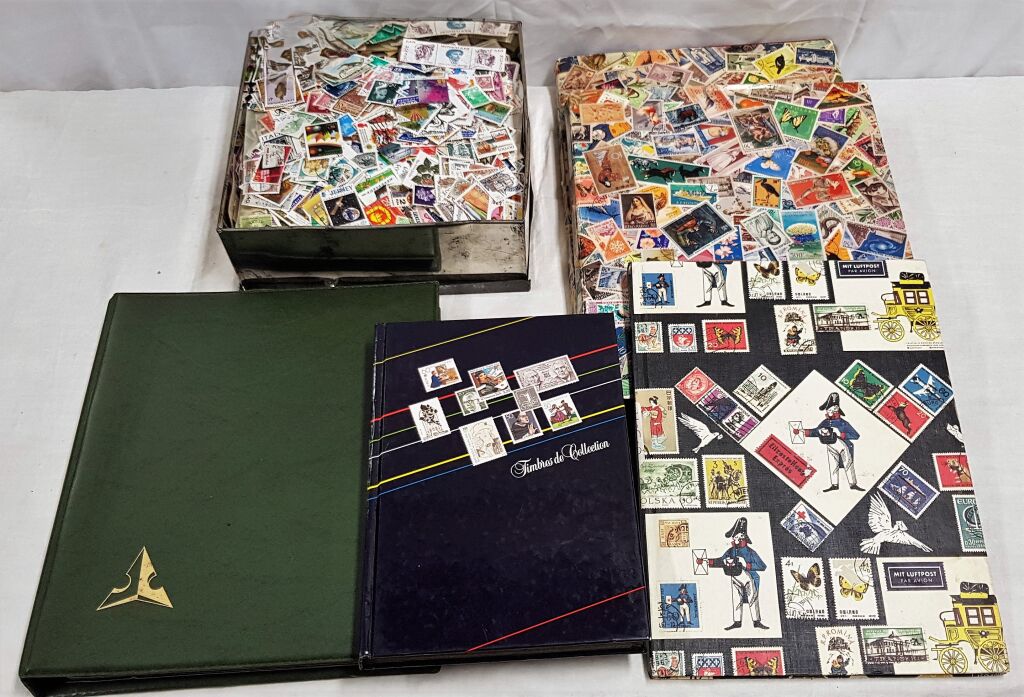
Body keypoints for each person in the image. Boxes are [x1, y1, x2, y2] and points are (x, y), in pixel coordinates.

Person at [708, 517, 769, 630]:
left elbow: (762, 566)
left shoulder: (750, 552)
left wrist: (747, 565)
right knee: (736, 600)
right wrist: (707, 562)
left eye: (737, 537)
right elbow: (721, 560)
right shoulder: (730, 551)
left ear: (743, 537)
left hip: (749, 578)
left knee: (752, 599)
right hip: (735, 577)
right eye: (734, 537)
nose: (735, 539)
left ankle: (757, 622)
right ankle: (737, 622)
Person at [794, 392, 863, 492]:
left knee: (848, 464)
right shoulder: (825, 422)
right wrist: (802, 432)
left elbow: (856, 436)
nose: (829, 411)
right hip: (830, 446)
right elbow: (815, 432)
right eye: (829, 410)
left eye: (832, 409)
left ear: (837, 409)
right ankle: (834, 485)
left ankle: (853, 484)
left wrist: (840, 434)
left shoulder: (843, 423)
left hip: (843, 446)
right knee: (832, 465)